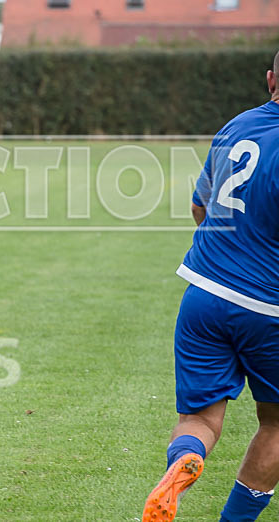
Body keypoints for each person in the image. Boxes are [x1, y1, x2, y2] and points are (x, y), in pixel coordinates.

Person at [142, 52, 279, 521]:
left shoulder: (237, 125)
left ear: (270, 80)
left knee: (199, 420)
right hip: (269, 308)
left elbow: (200, 209)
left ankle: (184, 460)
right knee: (277, 424)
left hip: (203, 294)